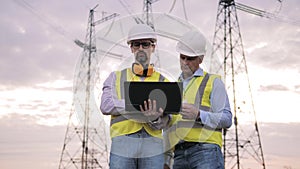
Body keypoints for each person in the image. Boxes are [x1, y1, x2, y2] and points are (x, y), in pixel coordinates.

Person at [100, 24, 170, 169]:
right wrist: (136, 104)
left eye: (145, 44)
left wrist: (156, 118)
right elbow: (106, 105)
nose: (140, 48)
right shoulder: (116, 77)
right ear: (131, 48)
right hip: (123, 141)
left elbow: (171, 118)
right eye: (136, 44)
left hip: (153, 142)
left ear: (153, 47)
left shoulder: (164, 82)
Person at [166, 30, 233, 169]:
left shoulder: (213, 82)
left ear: (200, 59)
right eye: (182, 57)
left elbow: (227, 119)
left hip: (205, 151)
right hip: (178, 154)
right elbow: (170, 125)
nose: (185, 62)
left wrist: (198, 115)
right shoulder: (173, 88)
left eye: (190, 58)